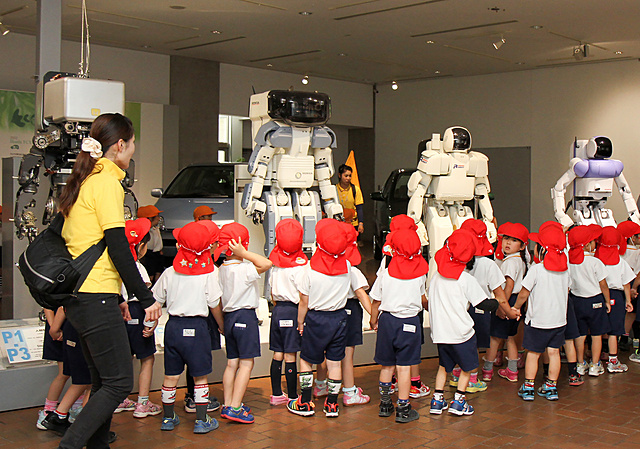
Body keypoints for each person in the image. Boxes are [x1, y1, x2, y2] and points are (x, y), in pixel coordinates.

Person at [56, 113, 162, 449]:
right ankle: (69, 445)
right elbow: (118, 248)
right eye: (131, 145)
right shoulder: (106, 184)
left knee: (103, 382)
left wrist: (117, 297)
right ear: (120, 145)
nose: (132, 151)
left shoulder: (88, 180)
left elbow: (90, 246)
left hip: (85, 298)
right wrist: (146, 298)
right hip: (94, 295)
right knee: (118, 383)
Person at [152, 221, 223, 434]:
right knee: (200, 376)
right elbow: (214, 304)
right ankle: (202, 420)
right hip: (198, 328)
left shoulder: (169, 272)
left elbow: (156, 300)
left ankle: (167, 418)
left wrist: (150, 325)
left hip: (173, 327)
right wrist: (221, 325)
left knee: (170, 376)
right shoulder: (209, 273)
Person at [287, 219, 355, 418]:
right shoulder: (348, 266)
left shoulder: (308, 270)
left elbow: (303, 301)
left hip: (316, 319)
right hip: (340, 318)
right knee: (335, 362)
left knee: (307, 359)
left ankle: (306, 402)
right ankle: (332, 404)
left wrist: (300, 322)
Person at [428, 229, 497, 416]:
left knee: (444, 366)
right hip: (462, 334)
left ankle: (437, 400)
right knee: (467, 368)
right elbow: (484, 304)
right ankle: (459, 401)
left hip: (441, 334)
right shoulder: (466, 279)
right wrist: (498, 301)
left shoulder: (436, 278)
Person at [370, 228, 428, 423]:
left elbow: (376, 300)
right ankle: (403, 408)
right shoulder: (420, 274)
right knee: (404, 368)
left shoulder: (385, 274)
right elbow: (422, 297)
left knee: (387, 366)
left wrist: (373, 318)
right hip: (410, 322)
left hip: (388, 321)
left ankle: (385, 404)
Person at [216, 222, 272, 424]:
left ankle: (228, 403)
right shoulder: (245, 268)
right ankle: (236, 407)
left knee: (232, 363)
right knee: (247, 364)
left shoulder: (221, 268)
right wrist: (245, 253)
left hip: (229, 318)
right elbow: (266, 264)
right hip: (245, 318)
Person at [453, 219, 514, 390]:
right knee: (474, 346)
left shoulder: (456, 262)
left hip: (459, 309)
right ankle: (472, 378)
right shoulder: (488, 264)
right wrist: (508, 312)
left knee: (461, 343)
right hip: (481, 309)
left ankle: (456, 373)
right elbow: (499, 295)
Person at [514, 224, 570, 401]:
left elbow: (524, 292)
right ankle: (551, 387)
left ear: (542, 250)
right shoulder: (565, 270)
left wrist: (516, 307)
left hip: (537, 321)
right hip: (559, 321)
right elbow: (568, 290)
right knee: (554, 353)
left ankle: (529, 387)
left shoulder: (537, 269)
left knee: (533, 353)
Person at [117, 218, 162, 419]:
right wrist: (150, 322)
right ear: (141, 247)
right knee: (147, 358)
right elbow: (145, 295)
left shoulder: (114, 265)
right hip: (137, 311)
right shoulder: (138, 267)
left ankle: (120, 398)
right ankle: (143, 402)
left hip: (118, 314)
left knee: (123, 358)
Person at [267, 219, 308, 406]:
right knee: (291, 354)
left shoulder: (275, 265)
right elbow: (303, 295)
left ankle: (276, 394)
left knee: (278, 352)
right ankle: (292, 395)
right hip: (293, 311)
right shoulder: (301, 267)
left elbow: (270, 292)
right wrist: (301, 320)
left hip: (278, 310)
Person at [484, 222, 529, 383]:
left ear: (523, 246)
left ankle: (487, 370)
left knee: (495, 338)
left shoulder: (510, 262)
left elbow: (508, 286)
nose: (508, 243)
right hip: (515, 300)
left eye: (514, 240)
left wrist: (503, 307)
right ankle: (512, 370)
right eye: (506, 239)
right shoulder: (520, 260)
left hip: (507, 300)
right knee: (510, 337)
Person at [567, 225, 611, 377]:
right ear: (587, 244)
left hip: (577, 301)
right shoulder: (595, 262)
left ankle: (580, 364)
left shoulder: (569, 261)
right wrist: (607, 301)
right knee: (596, 334)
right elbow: (603, 284)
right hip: (595, 301)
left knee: (580, 334)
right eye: (593, 241)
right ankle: (595, 364)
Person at [595, 226, 635, 373]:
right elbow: (626, 283)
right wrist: (628, 301)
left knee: (597, 330)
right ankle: (613, 360)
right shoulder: (621, 262)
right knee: (614, 331)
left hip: (598, 295)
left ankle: (596, 361)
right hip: (617, 297)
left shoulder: (595, 261)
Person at [37, 307, 71, 430]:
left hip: (69, 327)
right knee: (65, 373)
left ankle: (75, 407)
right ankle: (48, 411)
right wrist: (54, 328)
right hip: (60, 330)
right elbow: (49, 305)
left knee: (79, 375)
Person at [617, 221, 640, 355]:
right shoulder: (636, 253)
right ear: (632, 237)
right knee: (631, 313)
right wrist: (634, 287)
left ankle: (618, 337)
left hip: (619, 285)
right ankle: (624, 337)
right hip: (632, 284)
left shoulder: (617, 251)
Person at [137, 205, 164, 284]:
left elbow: (158, 250)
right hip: (147, 261)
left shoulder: (155, 230)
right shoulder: (142, 233)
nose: (159, 219)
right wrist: (151, 272)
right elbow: (147, 255)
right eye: (157, 216)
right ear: (149, 218)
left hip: (156, 259)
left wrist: (158, 270)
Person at [335, 164, 364, 235]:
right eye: (346, 176)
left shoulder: (355, 189)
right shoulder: (334, 189)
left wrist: (361, 223)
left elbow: (359, 208)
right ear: (339, 175)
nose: (348, 178)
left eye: (350, 176)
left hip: (352, 224)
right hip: (338, 224)